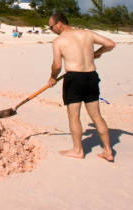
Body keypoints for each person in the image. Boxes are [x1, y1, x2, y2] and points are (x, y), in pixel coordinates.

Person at [47, 13, 116, 162]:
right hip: (91, 76)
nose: (51, 30)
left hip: (74, 79)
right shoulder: (87, 34)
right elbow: (110, 44)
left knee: (74, 115)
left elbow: (57, 65)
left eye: (51, 27)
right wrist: (97, 53)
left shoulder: (59, 41)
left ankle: (78, 150)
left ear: (59, 24)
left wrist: (52, 77)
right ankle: (108, 150)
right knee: (96, 115)